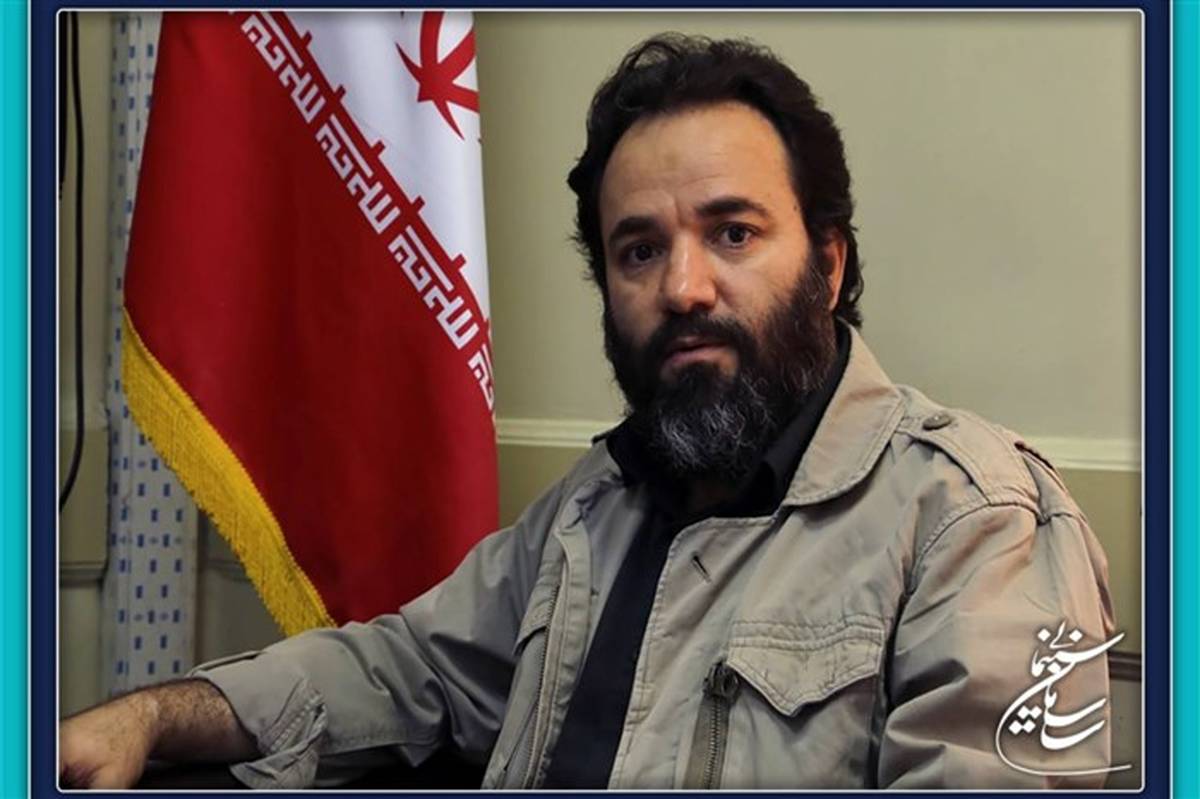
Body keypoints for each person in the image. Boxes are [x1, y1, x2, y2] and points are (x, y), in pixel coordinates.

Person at [60, 33, 1118, 790]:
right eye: (640, 249)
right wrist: (153, 715)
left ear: (829, 264)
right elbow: (402, 666)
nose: (683, 287)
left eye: (734, 232)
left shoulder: (978, 519)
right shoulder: (594, 505)